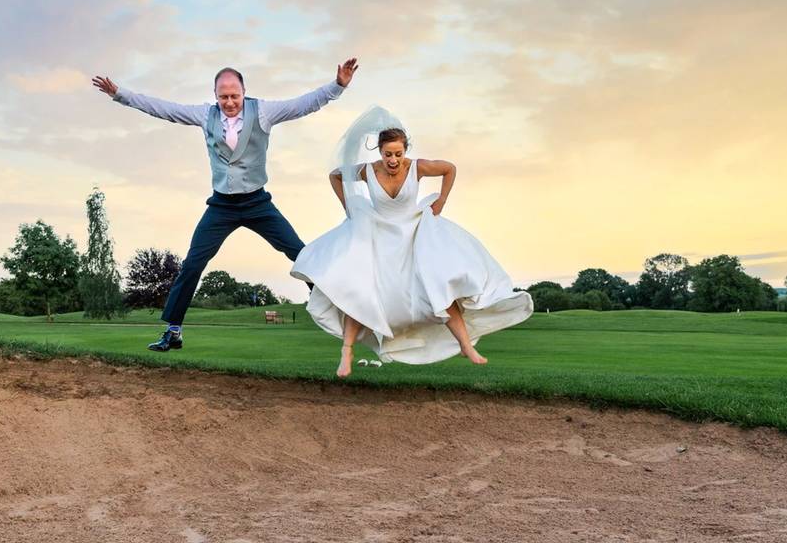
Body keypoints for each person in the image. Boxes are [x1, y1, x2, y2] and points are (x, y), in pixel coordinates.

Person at [92, 58, 359, 351]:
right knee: (193, 263)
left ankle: (339, 309)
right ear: (215, 95)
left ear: (244, 92)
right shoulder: (206, 116)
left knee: (299, 251)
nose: (229, 102)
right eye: (223, 97)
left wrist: (337, 87)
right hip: (221, 206)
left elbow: (303, 104)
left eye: (234, 96)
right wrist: (121, 94)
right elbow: (164, 109)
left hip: (258, 202)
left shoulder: (265, 112)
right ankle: (174, 330)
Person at [291, 107, 534, 377]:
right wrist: (348, 205)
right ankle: (346, 352)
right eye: (387, 154)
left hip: (414, 235)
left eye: (398, 153)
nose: (393, 160)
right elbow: (335, 175)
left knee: (440, 287)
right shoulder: (367, 171)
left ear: (405, 150)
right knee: (360, 291)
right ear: (380, 152)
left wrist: (441, 201)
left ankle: (466, 346)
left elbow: (449, 169)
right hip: (377, 236)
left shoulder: (417, 167)